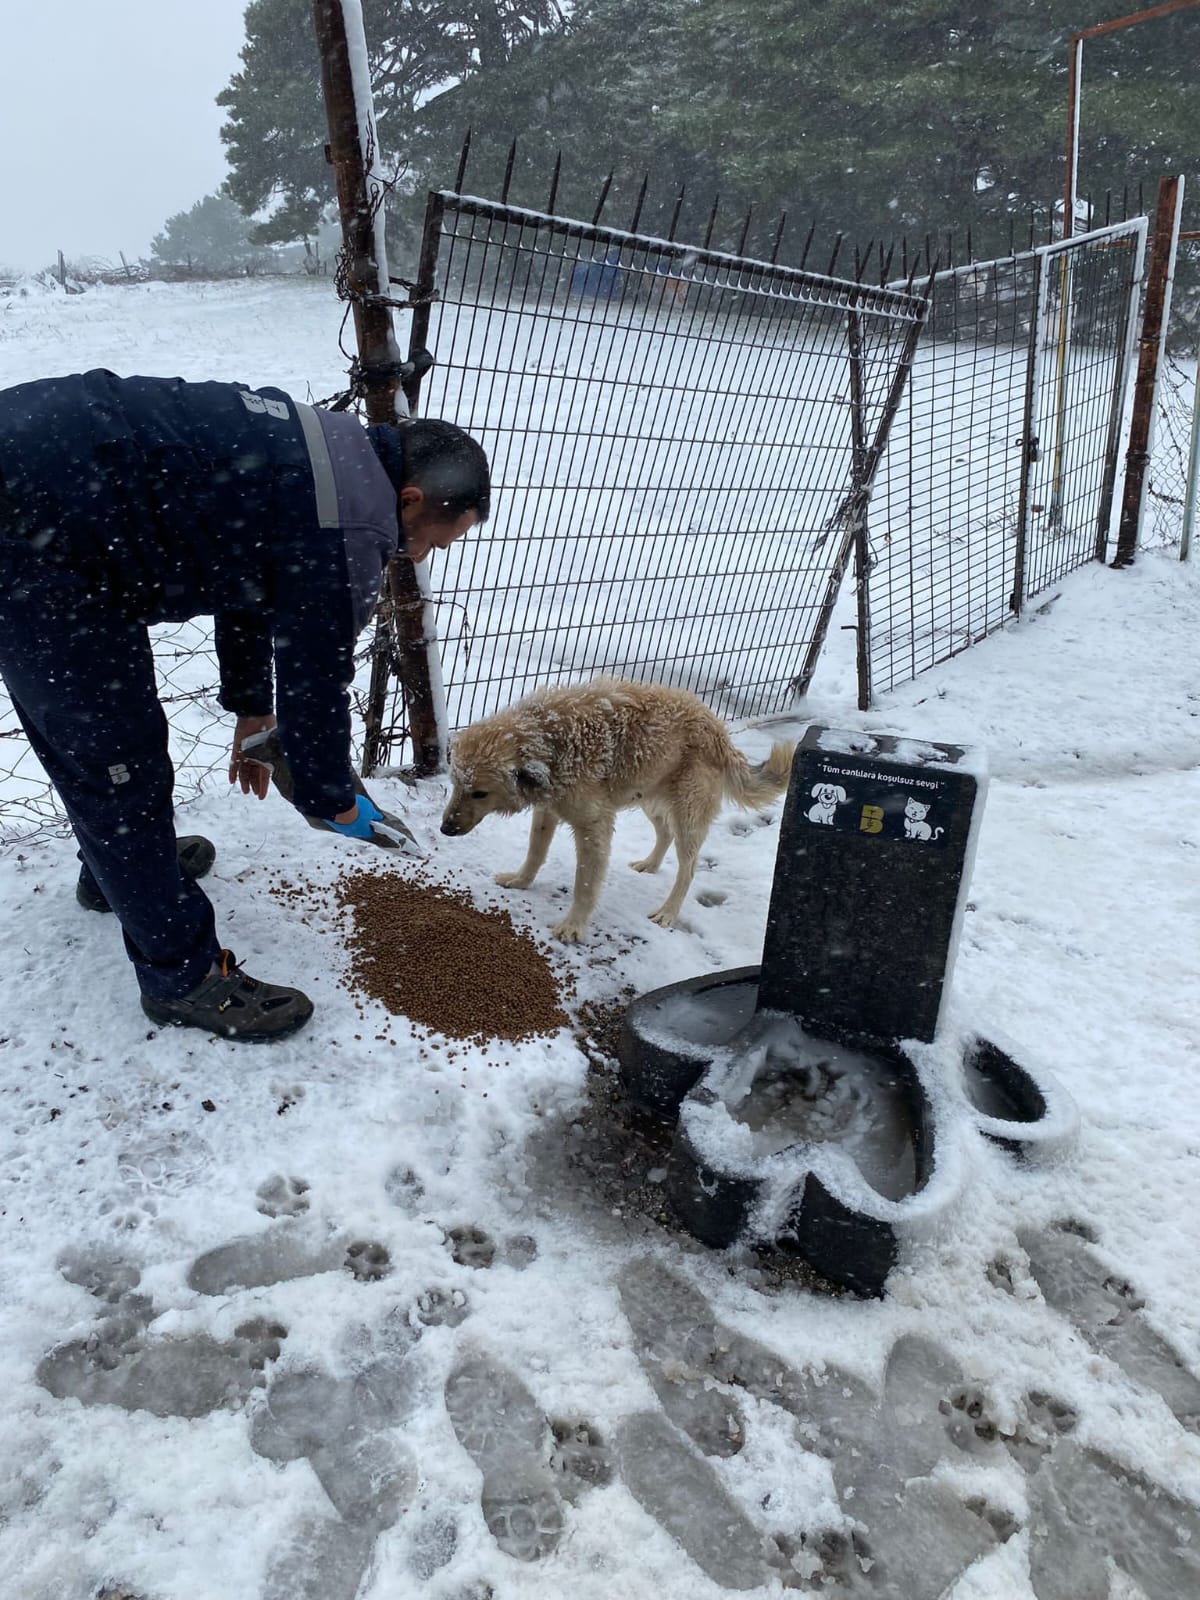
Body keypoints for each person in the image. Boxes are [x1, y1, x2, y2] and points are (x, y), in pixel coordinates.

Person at [0, 369, 490, 1043]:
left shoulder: (329, 456)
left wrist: (253, 709)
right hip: (32, 532)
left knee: (114, 749)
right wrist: (331, 800)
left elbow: (251, 575)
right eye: (437, 539)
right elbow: (317, 672)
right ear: (411, 500)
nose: (422, 554)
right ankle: (183, 978)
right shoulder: (352, 522)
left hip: (57, 498)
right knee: (115, 761)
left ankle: (119, 876)